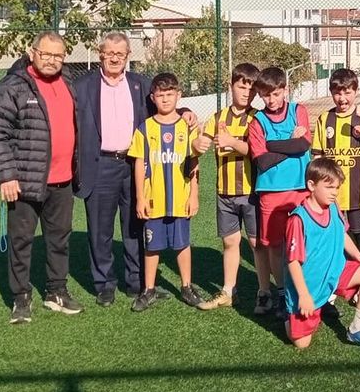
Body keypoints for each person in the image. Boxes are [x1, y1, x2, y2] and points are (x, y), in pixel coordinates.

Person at [0, 31, 82, 324]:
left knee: (59, 239)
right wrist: (6, 176)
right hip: (25, 181)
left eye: (58, 55)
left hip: (63, 180)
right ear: (32, 52)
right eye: (46, 54)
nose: (52, 60)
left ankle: (56, 291)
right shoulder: (12, 87)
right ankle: (21, 297)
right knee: (21, 242)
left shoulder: (68, 82)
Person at [74, 32, 151, 306]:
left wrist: (186, 111)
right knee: (100, 229)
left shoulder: (142, 84)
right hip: (100, 164)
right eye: (110, 53)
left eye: (120, 53)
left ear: (128, 56)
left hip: (134, 164)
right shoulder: (82, 86)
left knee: (135, 226)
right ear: (100, 54)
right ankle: (104, 284)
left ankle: (136, 281)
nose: (115, 58)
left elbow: (165, 105)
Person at [285, 158, 360, 352]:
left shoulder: (333, 206)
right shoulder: (298, 219)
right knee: (302, 343)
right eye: (329, 187)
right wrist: (304, 295)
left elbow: (342, 233)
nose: (334, 192)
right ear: (311, 185)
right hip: (310, 285)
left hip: (335, 270)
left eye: (337, 187)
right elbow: (293, 262)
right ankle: (289, 315)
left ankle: (357, 329)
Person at [128, 73, 208, 311]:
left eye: (169, 94)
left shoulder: (187, 126)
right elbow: (139, 164)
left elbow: (194, 163)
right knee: (152, 246)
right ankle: (149, 289)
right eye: (160, 95)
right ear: (152, 98)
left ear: (178, 95)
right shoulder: (145, 129)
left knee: (182, 244)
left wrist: (194, 195)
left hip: (180, 199)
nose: (165, 99)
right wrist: (140, 198)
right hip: (154, 200)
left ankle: (186, 286)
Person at [192, 63, 261, 310]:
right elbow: (201, 142)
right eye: (241, 87)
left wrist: (232, 141)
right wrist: (197, 145)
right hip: (225, 192)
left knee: (257, 244)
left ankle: (266, 291)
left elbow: (257, 151)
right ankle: (228, 291)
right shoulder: (217, 117)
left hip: (252, 192)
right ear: (231, 86)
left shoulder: (257, 118)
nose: (246, 93)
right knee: (230, 243)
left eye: (251, 89)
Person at [247, 66, 312, 319]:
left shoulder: (299, 111)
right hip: (270, 192)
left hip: (300, 189)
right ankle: (283, 293)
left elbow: (303, 144)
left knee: (305, 242)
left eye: (275, 94)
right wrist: (289, 144)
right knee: (275, 246)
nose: (271, 100)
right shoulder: (258, 121)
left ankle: (310, 290)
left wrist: (272, 144)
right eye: (266, 95)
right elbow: (262, 161)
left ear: (285, 90)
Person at [311, 68, 360, 257]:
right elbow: (317, 157)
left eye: (347, 92)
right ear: (331, 92)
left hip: (358, 196)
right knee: (336, 239)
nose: (342, 98)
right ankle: (340, 275)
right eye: (337, 93)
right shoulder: (325, 119)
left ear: (356, 91)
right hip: (331, 196)